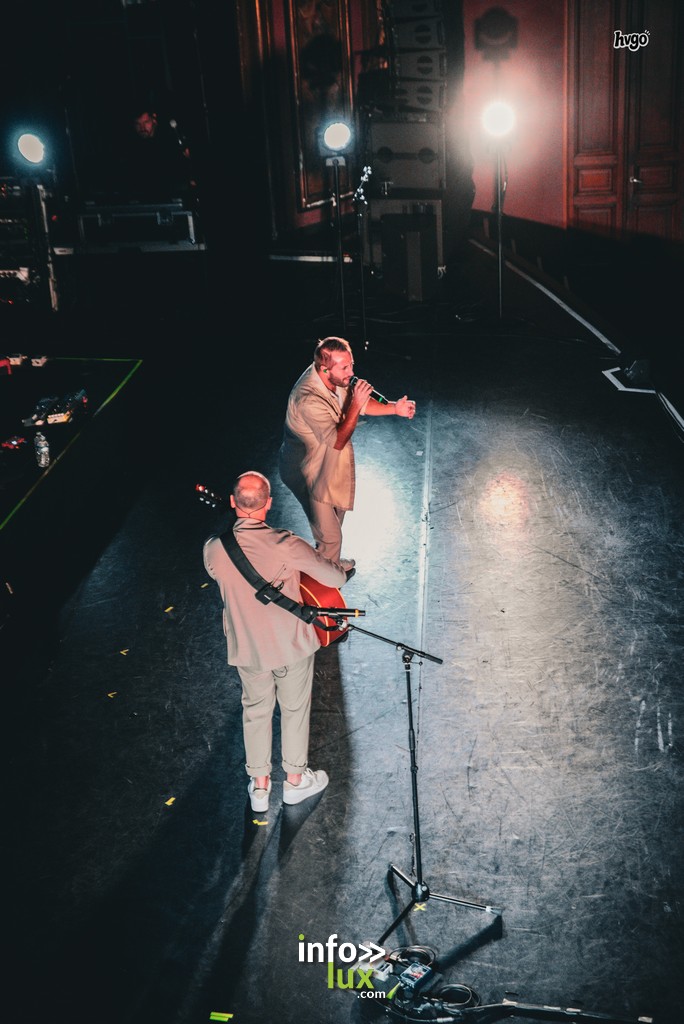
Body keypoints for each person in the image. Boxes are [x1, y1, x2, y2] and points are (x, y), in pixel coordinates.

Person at [203, 470, 348, 813]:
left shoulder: (214, 549)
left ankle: (259, 787)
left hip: (247, 648)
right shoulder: (287, 544)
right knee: (294, 710)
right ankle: (295, 783)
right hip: (291, 645)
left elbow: (219, 576)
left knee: (256, 711)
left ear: (233, 502)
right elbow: (335, 578)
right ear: (268, 503)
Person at [279, 336, 416, 565]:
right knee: (331, 536)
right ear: (324, 370)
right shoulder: (307, 399)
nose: (351, 373)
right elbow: (337, 440)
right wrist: (355, 404)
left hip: (328, 462)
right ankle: (326, 576)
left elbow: (360, 404)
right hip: (306, 472)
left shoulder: (335, 378)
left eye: (351, 364)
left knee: (336, 515)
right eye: (344, 367)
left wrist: (395, 408)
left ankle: (328, 562)